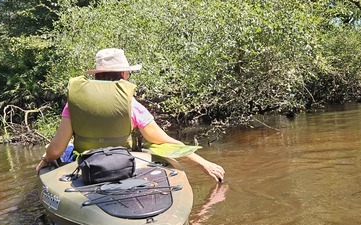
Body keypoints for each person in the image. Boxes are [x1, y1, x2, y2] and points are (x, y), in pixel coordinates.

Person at [35, 48, 225, 183]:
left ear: (97, 75)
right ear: (124, 75)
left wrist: (45, 159)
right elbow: (165, 142)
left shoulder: (74, 104)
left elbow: (55, 151)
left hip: (87, 168)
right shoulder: (131, 105)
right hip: (121, 166)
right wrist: (203, 163)